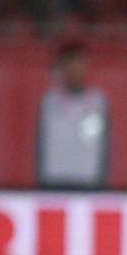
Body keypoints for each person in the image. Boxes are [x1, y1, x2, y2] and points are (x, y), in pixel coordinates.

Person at [36, 42, 110, 189]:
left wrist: (101, 178)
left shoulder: (97, 102)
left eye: (79, 65)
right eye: (70, 65)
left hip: (87, 179)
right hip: (54, 179)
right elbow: (41, 142)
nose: (75, 71)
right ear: (61, 68)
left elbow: (102, 143)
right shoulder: (50, 101)